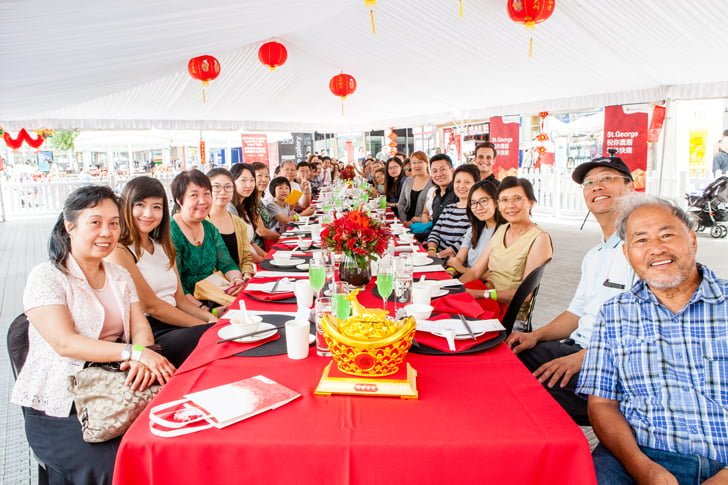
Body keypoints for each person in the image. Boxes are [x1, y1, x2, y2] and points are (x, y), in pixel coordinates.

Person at [11, 185, 174, 484]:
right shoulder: (46, 276)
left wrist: (140, 356)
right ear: (69, 225)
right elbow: (64, 343)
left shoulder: (118, 275)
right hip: (61, 408)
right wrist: (132, 353)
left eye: (114, 223)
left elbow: (140, 326)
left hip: (112, 388)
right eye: (95, 222)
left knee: (169, 442)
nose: (107, 232)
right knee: (118, 467)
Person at [577, 194, 728, 484]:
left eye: (667, 235)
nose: (656, 249)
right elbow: (602, 405)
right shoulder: (615, 313)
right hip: (640, 456)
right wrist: (642, 468)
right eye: (641, 240)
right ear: (626, 253)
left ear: (693, 240)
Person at [505, 156, 636, 425]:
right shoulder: (595, 255)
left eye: (607, 179)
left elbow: (644, 332)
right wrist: (536, 335)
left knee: (514, 392)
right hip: (576, 349)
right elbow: (576, 312)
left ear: (630, 187)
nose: (597, 187)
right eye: (589, 183)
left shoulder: (640, 250)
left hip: (611, 367)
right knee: (502, 355)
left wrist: (581, 359)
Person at [107, 176, 216, 367]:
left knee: (226, 330)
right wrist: (205, 326)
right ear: (126, 207)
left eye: (156, 207)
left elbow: (180, 300)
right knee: (217, 338)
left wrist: (210, 317)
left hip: (177, 321)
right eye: (140, 205)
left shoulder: (163, 246)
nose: (148, 214)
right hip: (150, 332)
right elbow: (151, 306)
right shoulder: (120, 250)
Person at [460, 177, 552, 318]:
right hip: (487, 303)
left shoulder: (540, 238)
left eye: (517, 198)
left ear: (531, 203)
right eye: (504, 200)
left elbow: (526, 295)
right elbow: (475, 271)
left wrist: (481, 294)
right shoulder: (502, 229)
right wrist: (452, 287)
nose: (510, 205)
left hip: (510, 315)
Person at [170, 170, 245, 305]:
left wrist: (237, 280)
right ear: (179, 200)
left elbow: (227, 263)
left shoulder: (209, 228)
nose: (203, 201)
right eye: (194, 195)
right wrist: (206, 310)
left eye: (206, 194)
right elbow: (176, 286)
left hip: (215, 295)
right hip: (188, 305)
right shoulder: (171, 232)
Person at [446, 179, 503, 275]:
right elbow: (458, 259)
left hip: (487, 286)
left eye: (483, 201)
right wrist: (451, 270)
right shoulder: (473, 230)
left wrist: (461, 268)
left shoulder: (505, 232)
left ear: (496, 202)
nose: (478, 207)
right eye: (473, 203)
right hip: (466, 279)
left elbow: (493, 276)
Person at [206, 168, 256, 278]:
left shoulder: (238, 222)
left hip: (238, 281)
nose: (223, 192)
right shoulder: (202, 222)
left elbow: (246, 258)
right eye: (216, 187)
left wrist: (246, 274)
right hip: (213, 286)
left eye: (228, 187)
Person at [426, 164, 481, 257]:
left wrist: (438, 255)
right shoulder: (448, 208)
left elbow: (464, 243)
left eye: (467, 182)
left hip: (455, 263)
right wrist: (432, 249)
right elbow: (435, 232)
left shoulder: (477, 212)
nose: (461, 186)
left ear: (476, 184)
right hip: (436, 256)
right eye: (458, 181)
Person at [397, 151, 434, 224]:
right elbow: (401, 203)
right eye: (414, 163)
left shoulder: (433, 183)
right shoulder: (408, 181)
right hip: (406, 223)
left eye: (420, 162)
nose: (417, 165)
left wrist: (417, 220)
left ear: (427, 163)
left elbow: (433, 210)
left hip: (422, 225)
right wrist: (404, 221)